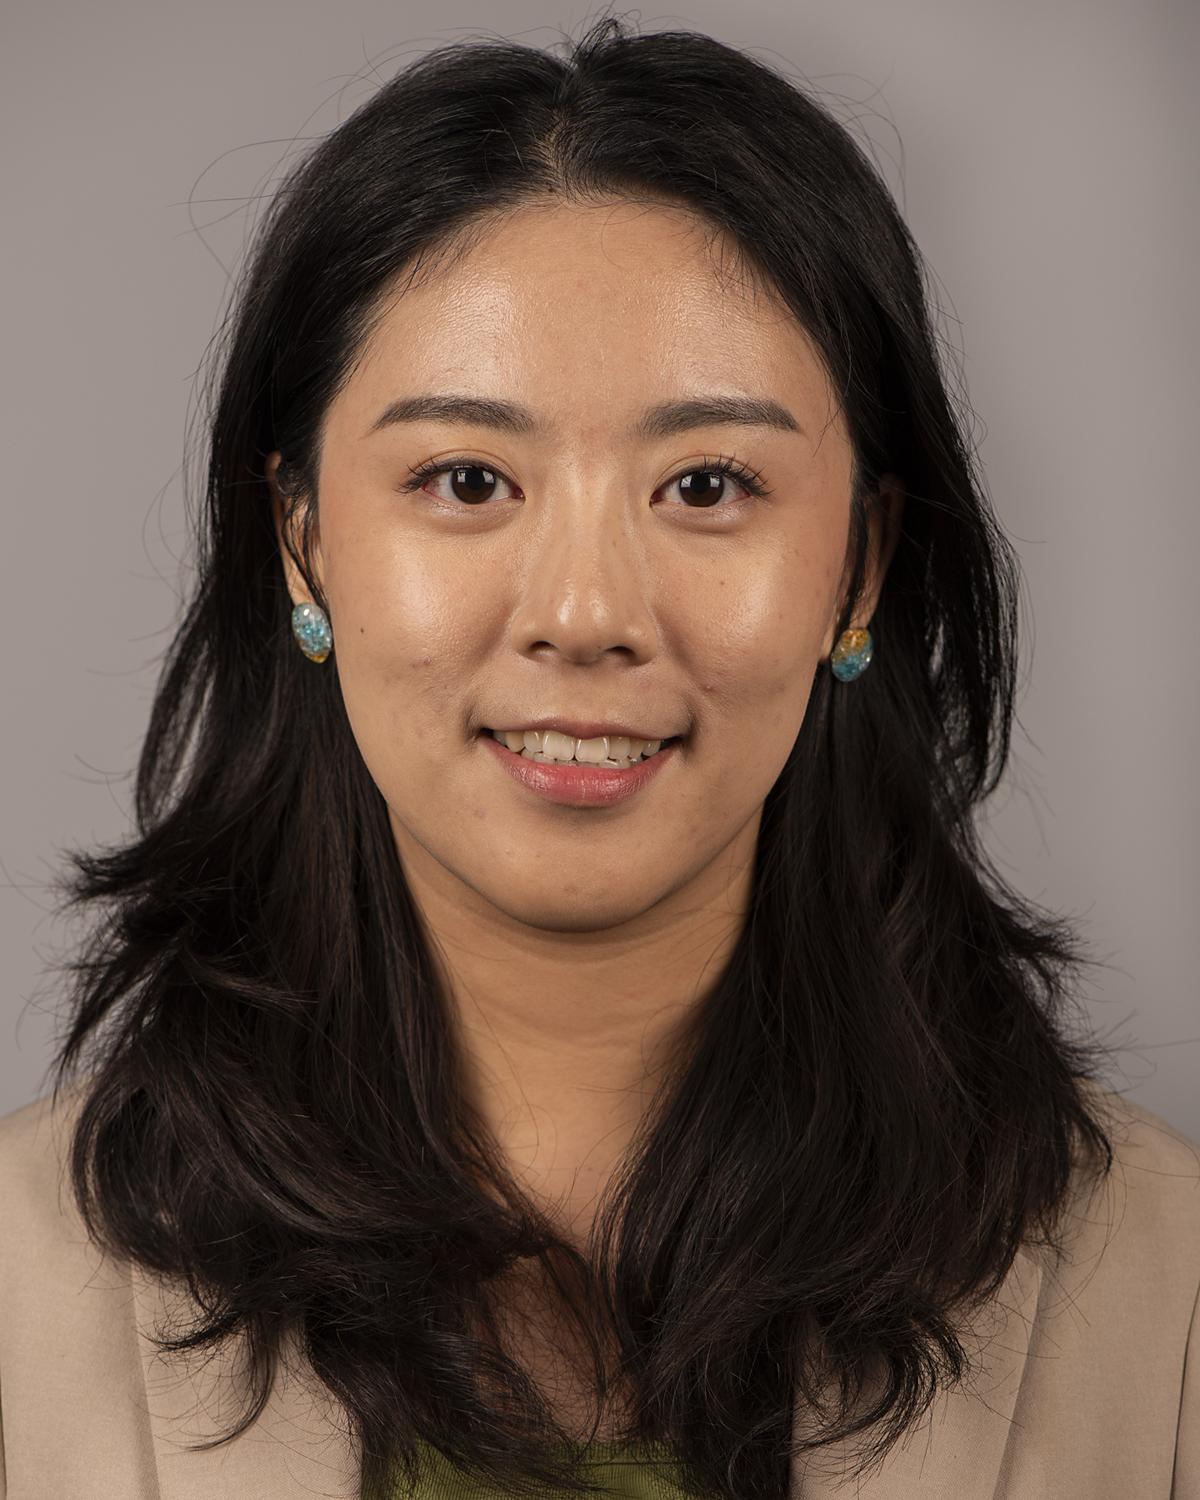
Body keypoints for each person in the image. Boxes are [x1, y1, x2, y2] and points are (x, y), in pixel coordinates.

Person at [1, 14, 1196, 1500]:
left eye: (707, 484)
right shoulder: (18, 1294)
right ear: (302, 545)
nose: (583, 615)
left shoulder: (1172, 1300)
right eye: (465, 480)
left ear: (863, 564)